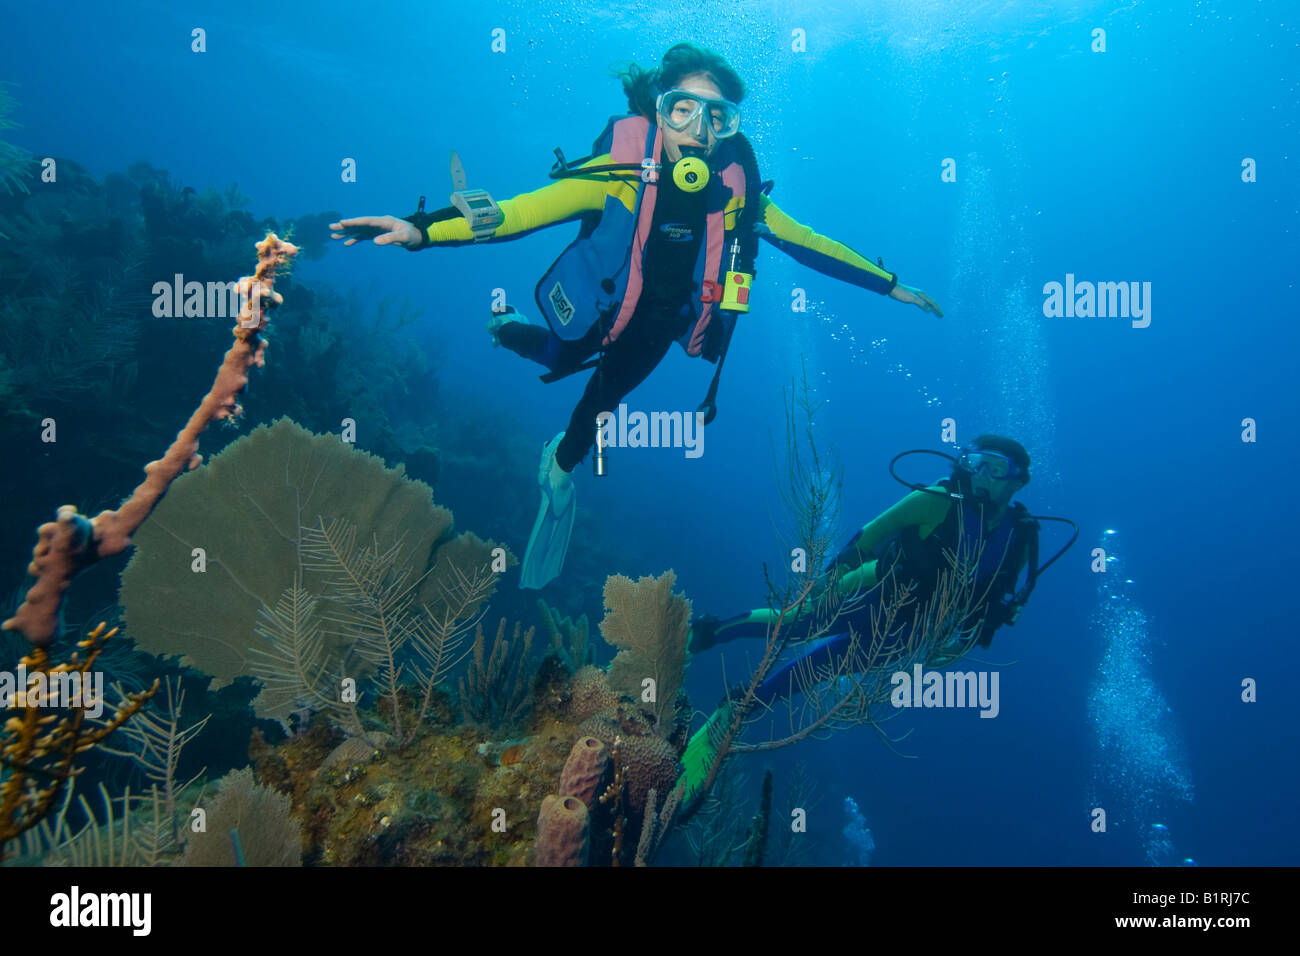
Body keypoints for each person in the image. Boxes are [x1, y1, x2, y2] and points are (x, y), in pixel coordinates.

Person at [330, 42, 943, 589]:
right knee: (562, 354)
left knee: (603, 396)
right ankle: (502, 329)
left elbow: (810, 243)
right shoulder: (619, 170)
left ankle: (561, 462)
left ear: (729, 127)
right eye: (683, 109)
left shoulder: (738, 192)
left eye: (718, 115)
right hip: (603, 302)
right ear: (658, 108)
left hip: (657, 326)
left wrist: (890, 286)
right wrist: (421, 229)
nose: (699, 129)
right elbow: (518, 212)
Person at [679, 435, 1052, 806]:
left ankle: (737, 708)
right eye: (976, 463)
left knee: (816, 671)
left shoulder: (1018, 537)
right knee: (796, 626)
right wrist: (829, 583)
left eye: (996, 468)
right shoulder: (935, 500)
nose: (982, 475)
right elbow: (872, 534)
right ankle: (709, 632)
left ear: (1018, 481)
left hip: (908, 631)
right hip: (869, 588)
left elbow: (993, 600)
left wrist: (963, 640)